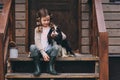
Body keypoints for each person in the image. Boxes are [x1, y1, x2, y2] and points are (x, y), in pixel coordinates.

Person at [29, 8, 66, 76]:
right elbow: (37, 42)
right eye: (44, 20)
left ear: (50, 19)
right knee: (32, 47)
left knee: (56, 47)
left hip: (49, 51)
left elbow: (64, 36)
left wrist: (55, 35)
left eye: (48, 20)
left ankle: (50, 67)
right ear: (39, 20)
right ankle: (38, 68)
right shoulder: (37, 29)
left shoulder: (52, 27)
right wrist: (43, 53)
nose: (46, 22)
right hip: (40, 52)